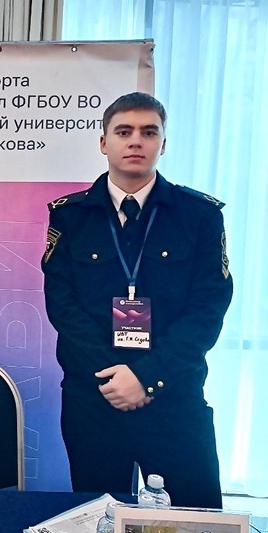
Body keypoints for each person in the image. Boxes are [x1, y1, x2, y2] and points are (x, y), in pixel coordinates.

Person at [42, 92, 232, 508]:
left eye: (149, 132)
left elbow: (208, 308)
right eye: (123, 131)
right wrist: (116, 378)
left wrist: (147, 377)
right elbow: (63, 306)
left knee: (196, 518)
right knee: (97, 516)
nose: (135, 141)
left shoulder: (199, 215)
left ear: (163, 143)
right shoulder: (70, 216)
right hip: (95, 399)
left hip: (174, 397)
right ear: (103, 142)